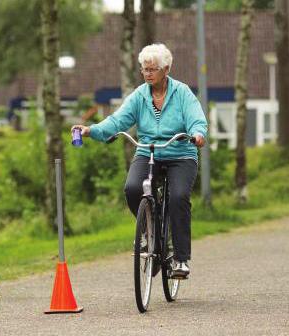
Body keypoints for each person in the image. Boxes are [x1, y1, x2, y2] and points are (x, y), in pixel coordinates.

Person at [72, 43, 207, 279]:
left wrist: (198, 134)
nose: (147, 74)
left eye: (152, 69)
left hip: (180, 152)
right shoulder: (139, 95)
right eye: (144, 69)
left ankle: (181, 258)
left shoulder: (182, 93)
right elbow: (117, 121)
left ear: (166, 69)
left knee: (178, 197)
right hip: (148, 151)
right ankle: (150, 232)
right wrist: (91, 130)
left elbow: (197, 119)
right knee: (132, 188)